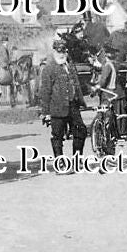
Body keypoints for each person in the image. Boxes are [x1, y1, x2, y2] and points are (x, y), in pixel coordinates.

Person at [38, 39, 88, 170]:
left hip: (73, 106)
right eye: (59, 51)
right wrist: (46, 112)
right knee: (57, 136)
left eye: (64, 51)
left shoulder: (70, 66)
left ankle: (77, 160)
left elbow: (77, 84)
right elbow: (45, 92)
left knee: (81, 131)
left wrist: (81, 100)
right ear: (54, 51)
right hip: (57, 108)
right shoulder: (48, 69)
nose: (62, 54)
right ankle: (59, 162)